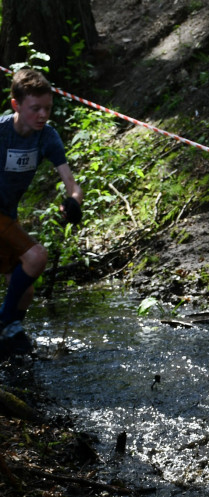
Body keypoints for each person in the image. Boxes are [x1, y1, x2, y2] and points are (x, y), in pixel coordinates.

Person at [0, 68, 83, 354]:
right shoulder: (1, 131)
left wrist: (73, 201)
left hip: (7, 215)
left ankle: (10, 333)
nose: (42, 115)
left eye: (47, 108)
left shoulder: (46, 137)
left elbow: (72, 184)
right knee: (36, 256)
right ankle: (3, 324)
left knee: (25, 291)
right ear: (16, 105)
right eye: (35, 108)